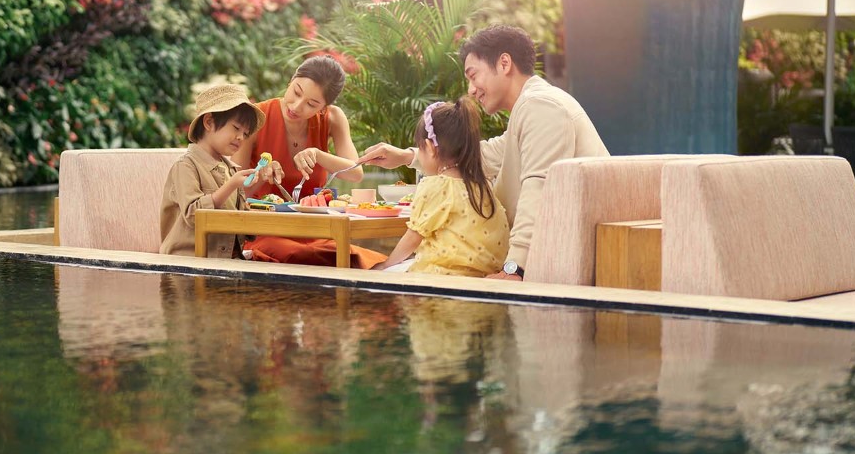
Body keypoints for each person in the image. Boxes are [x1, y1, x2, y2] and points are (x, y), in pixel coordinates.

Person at [361, 25, 608, 280]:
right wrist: (408, 156)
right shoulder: (533, 105)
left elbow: (539, 191)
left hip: (563, 256)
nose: (470, 89)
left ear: (504, 63)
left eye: (473, 75)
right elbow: (484, 155)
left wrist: (514, 269)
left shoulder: (541, 107)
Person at [373, 99, 509, 275]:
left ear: (430, 148)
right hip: (482, 277)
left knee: (381, 273)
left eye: (420, 149)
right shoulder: (484, 186)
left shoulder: (436, 186)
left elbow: (412, 238)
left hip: (440, 276)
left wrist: (386, 265)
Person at [159, 83, 278, 258]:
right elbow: (194, 215)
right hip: (189, 261)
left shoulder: (230, 170)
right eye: (236, 128)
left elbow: (240, 223)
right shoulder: (186, 166)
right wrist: (231, 185)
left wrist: (265, 201)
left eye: (245, 134)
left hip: (225, 260)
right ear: (209, 122)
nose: (241, 137)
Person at [235, 55, 365, 200]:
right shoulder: (255, 116)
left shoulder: (332, 118)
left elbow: (356, 173)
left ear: (323, 108)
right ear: (291, 80)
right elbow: (235, 191)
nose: (296, 107)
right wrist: (262, 175)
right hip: (260, 212)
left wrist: (318, 155)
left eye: (311, 104)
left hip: (313, 211)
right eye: (296, 92)